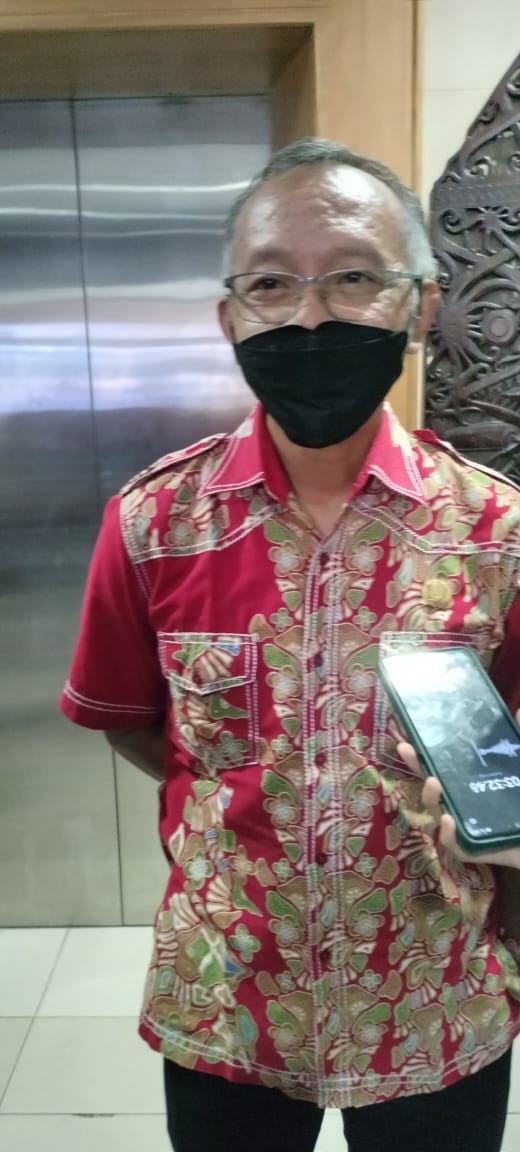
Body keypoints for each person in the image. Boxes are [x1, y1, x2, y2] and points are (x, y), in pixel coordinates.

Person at [60, 137, 520, 1152]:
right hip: (230, 995)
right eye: (271, 283)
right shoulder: (153, 524)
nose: (311, 317)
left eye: (354, 278)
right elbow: (134, 723)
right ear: (231, 316)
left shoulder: (499, 533)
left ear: (421, 306)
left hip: (436, 994)